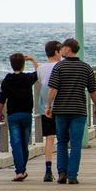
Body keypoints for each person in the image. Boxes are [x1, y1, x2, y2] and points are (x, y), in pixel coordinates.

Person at [44, 38, 96, 185]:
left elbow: (53, 89)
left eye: (62, 48)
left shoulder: (59, 67)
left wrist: (48, 106)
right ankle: (72, 175)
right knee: (75, 144)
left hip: (61, 110)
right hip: (79, 111)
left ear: (68, 49)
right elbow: (92, 90)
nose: (60, 50)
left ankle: (62, 172)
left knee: (62, 142)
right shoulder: (86, 68)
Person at [0, 53, 38, 181]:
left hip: (13, 115)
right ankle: (22, 169)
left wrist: (0, 112)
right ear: (23, 65)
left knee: (15, 143)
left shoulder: (7, 80)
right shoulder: (27, 78)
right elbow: (38, 72)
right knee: (24, 143)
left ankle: (20, 171)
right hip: (26, 114)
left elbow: (2, 98)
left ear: (11, 65)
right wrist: (32, 59)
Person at [37, 41, 61, 182]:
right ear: (57, 52)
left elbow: (41, 82)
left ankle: (48, 170)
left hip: (44, 107)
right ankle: (63, 169)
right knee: (63, 138)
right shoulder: (60, 66)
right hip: (60, 105)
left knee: (49, 139)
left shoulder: (40, 68)